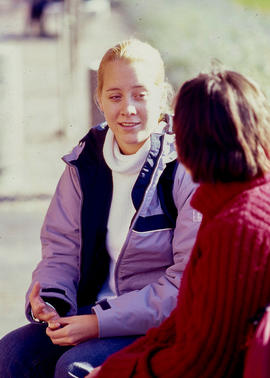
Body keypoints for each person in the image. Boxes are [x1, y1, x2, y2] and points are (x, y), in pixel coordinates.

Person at [0, 39, 200, 378]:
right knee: (11, 354)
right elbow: (61, 249)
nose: (129, 109)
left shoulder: (182, 170)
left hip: (152, 326)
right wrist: (51, 302)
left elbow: (185, 284)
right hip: (85, 314)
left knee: (73, 367)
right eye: (115, 96)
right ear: (99, 100)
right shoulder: (84, 162)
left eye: (140, 94)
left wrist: (98, 322)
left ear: (162, 97)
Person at [84, 69, 270, 377]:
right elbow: (185, 320)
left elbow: (202, 363)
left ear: (189, 142)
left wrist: (114, 373)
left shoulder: (238, 228)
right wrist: (115, 366)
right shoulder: (232, 202)